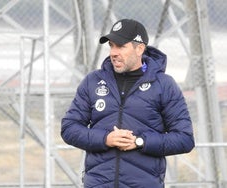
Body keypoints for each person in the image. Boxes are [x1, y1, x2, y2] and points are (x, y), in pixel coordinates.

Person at [61, 18, 195, 188]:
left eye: (120, 46)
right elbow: (69, 128)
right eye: (111, 46)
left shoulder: (164, 85)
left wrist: (140, 142)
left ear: (140, 48)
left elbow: (184, 139)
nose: (113, 52)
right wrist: (105, 139)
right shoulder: (92, 81)